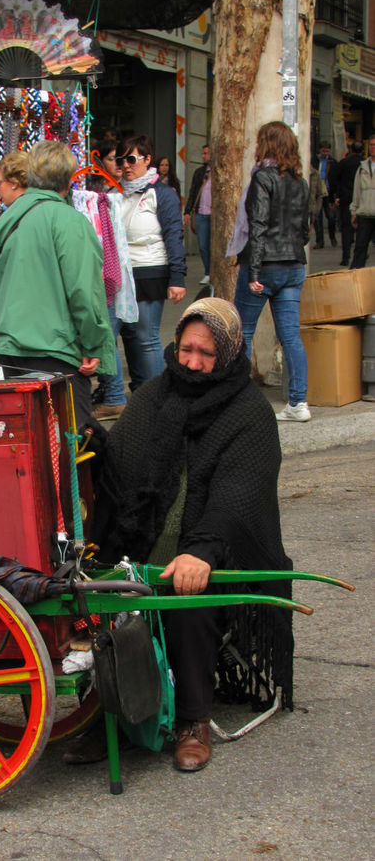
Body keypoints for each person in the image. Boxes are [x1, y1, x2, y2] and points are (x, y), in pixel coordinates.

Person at [88, 298, 294, 772]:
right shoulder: (154, 395)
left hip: (217, 553)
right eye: (186, 350)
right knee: (92, 596)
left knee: (188, 598)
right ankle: (109, 719)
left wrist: (201, 550)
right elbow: (118, 471)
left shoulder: (249, 411)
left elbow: (239, 494)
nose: (194, 363)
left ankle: (193, 719)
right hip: (143, 554)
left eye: (207, 354)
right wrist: (92, 449)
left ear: (227, 354)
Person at [0, 140, 116, 426]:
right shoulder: (70, 222)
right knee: (71, 444)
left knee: (31, 441)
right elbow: (84, 292)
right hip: (54, 350)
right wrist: (93, 345)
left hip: (11, 345)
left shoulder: (6, 222)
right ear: (68, 180)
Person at [233, 120, 310, 423]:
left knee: (243, 332)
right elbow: (304, 230)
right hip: (294, 265)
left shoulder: (262, 178)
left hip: (264, 266)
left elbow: (258, 226)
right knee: (290, 335)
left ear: (266, 145)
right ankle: (298, 402)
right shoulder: (300, 182)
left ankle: (236, 401)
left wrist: (252, 271)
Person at [118, 134, 186, 388]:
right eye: (122, 159)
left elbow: (173, 235)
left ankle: (157, 395)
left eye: (132, 159)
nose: (126, 165)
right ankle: (133, 391)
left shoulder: (163, 193)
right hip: (119, 274)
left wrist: (177, 277)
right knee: (113, 335)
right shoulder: (115, 192)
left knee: (147, 338)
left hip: (150, 272)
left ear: (147, 160)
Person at [331, 141, 363, 266]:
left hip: (346, 198)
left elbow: (333, 178)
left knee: (346, 228)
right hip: (361, 199)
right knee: (361, 228)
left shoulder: (344, 163)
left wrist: (334, 196)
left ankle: (346, 256)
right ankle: (360, 254)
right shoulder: (363, 164)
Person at [183, 144, 211, 285]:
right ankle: (207, 272)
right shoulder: (200, 172)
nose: (203, 156)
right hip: (201, 213)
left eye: (206, 153)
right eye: (203, 153)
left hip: (214, 215)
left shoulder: (219, 172)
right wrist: (187, 211)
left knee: (214, 246)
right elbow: (193, 192)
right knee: (203, 245)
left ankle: (213, 272)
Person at [349, 134, 375, 270]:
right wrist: (354, 211)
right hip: (364, 214)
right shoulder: (362, 168)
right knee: (360, 248)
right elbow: (357, 192)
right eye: (371, 145)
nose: (373, 148)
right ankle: (355, 276)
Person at [312, 140, 337, 249]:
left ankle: (332, 236)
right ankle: (320, 241)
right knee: (318, 218)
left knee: (331, 217)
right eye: (323, 151)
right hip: (317, 192)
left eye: (327, 151)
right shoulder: (314, 160)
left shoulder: (333, 162)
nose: (325, 153)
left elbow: (336, 178)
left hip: (328, 191)